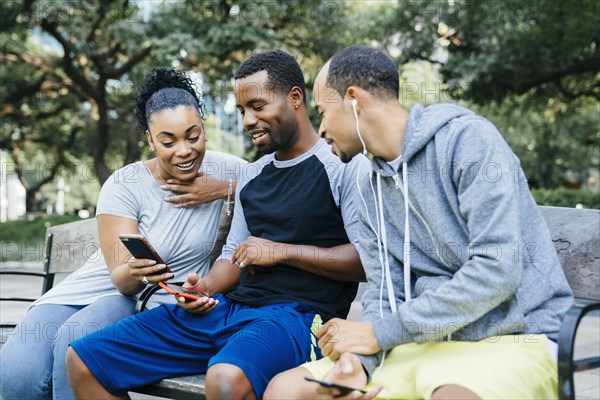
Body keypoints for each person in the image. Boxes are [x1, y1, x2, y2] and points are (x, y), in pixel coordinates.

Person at [264, 44, 574, 400]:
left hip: (516, 338)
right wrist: (359, 362)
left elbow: (497, 271)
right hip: (422, 342)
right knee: (285, 390)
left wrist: (380, 335)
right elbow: (384, 291)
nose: (320, 130)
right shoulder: (367, 184)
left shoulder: (468, 141)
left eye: (322, 112)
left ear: (353, 100)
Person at [65, 49, 367, 400]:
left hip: (297, 318)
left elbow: (364, 260)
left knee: (224, 379)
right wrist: (204, 287)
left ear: (295, 98)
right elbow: (232, 258)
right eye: (241, 111)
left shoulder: (341, 167)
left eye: (257, 106)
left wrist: (281, 252)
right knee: (84, 359)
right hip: (229, 310)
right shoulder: (252, 177)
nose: (248, 120)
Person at [0, 68, 245, 400]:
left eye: (193, 136)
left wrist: (223, 190)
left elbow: (278, 188)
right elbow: (121, 278)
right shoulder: (124, 183)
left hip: (140, 302)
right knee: (15, 374)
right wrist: (134, 270)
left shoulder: (229, 169)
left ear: (203, 127)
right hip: (107, 287)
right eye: (167, 141)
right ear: (149, 139)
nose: (184, 151)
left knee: (73, 346)